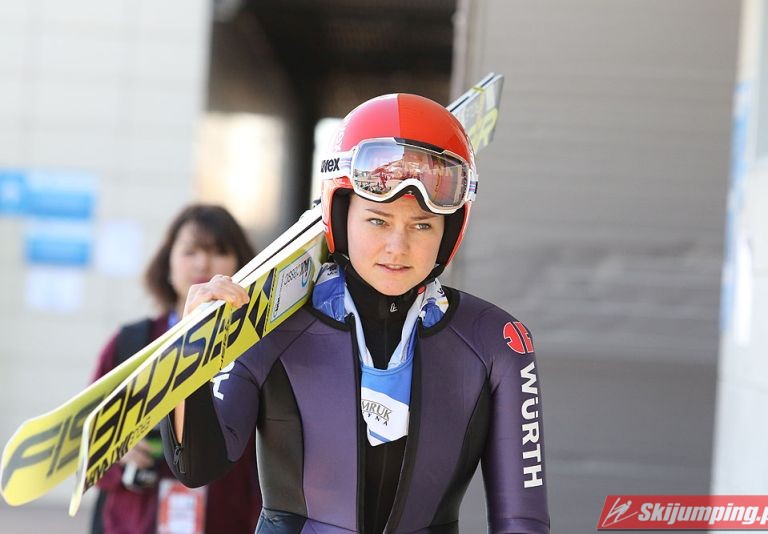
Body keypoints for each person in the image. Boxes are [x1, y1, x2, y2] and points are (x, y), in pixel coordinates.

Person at [161, 95, 550, 533]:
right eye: (378, 221)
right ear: (341, 214)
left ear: (450, 230)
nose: (398, 247)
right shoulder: (273, 322)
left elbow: (522, 520)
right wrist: (189, 348)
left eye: (422, 225)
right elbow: (197, 464)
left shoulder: (496, 340)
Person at [90, 204, 262, 534]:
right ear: (167, 263)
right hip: (134, 524)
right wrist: (114, 455)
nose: (203, 264)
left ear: (241, 263)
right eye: (190, 251)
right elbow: (83, 441)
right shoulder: (130, 344)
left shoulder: (259, 346)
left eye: (219, 251)